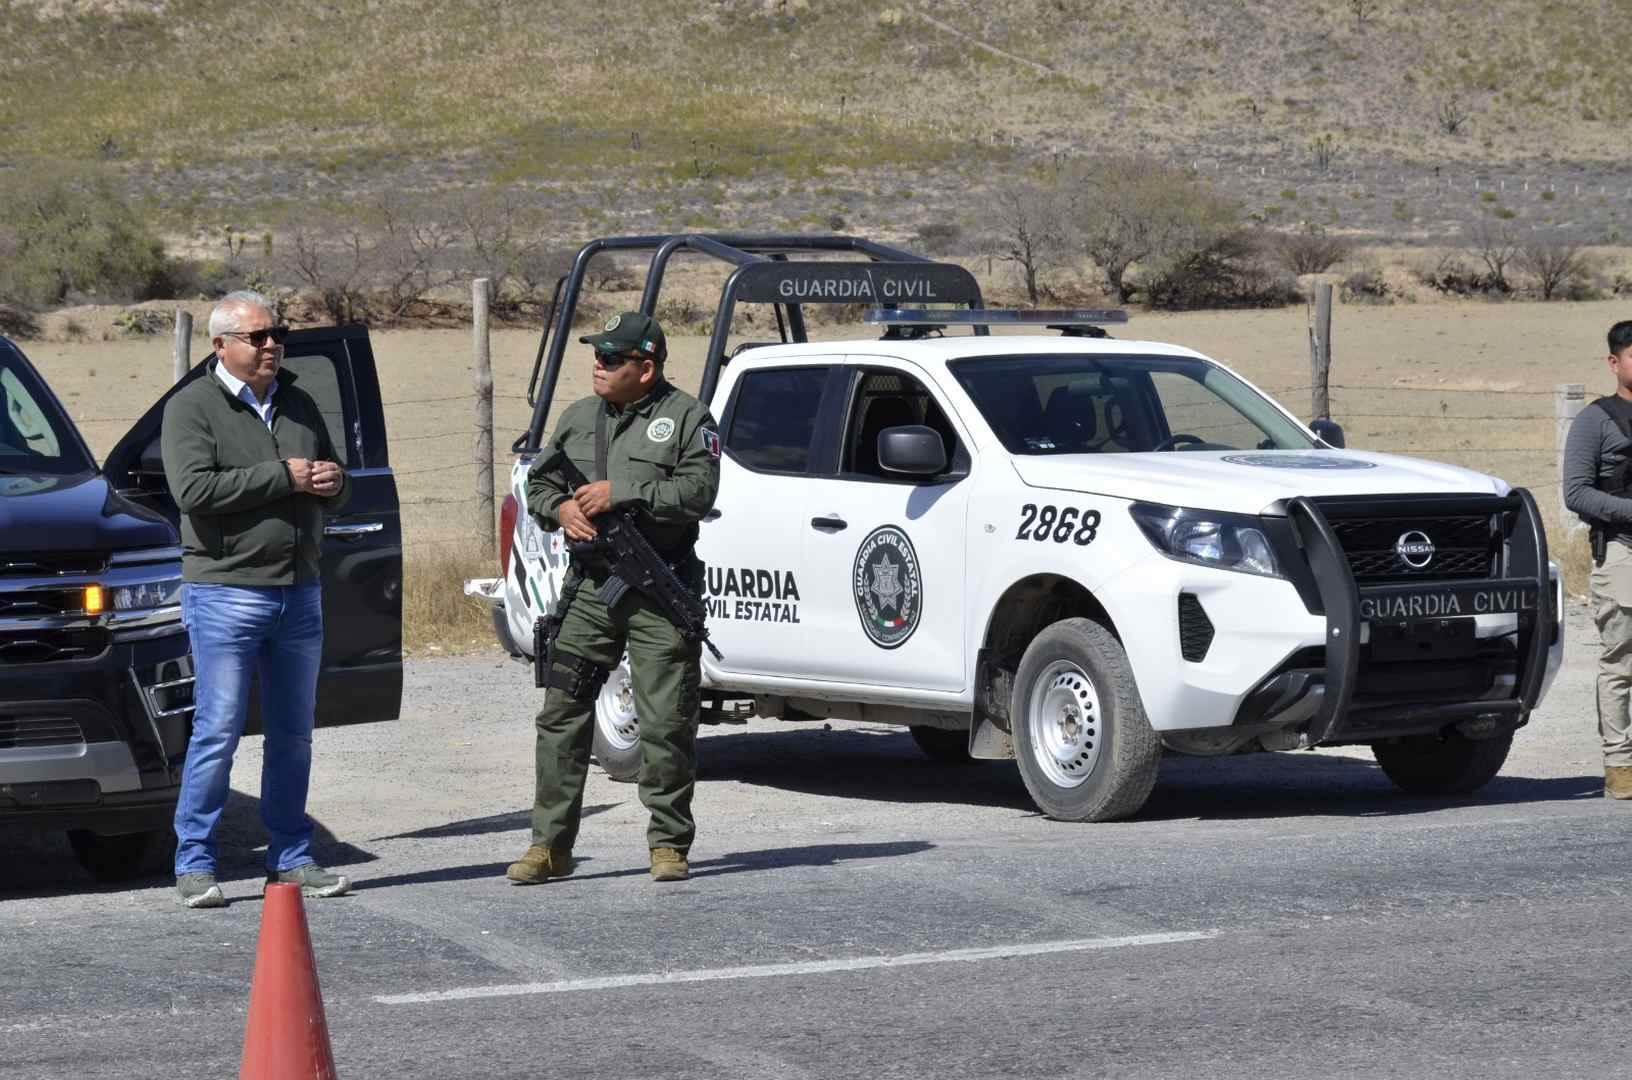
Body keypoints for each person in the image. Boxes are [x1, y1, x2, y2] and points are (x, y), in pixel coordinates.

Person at [507, 311, 720, 884]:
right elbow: (539, 483)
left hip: (659, 587)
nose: (597, 366)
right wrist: (561, 509)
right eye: (596, 356)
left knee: (665, 722)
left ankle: (668, 843)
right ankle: (549, 846)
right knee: (562, 713)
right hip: (589, 589)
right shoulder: (579, 417)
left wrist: (621, 492)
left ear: (645, 368)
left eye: (609, 358)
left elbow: (699, 492)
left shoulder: (687, 418)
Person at [161, 290, 353, 907]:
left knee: (293, 734)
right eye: (259, 337)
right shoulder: (191, 406)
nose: (273, 345)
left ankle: (291, 857)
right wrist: (284, 477)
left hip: (299, 591)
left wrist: (333, 481)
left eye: (278, 335)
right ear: (221, 345)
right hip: (225, 592)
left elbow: (334, 478)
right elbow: (193, 491)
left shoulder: (298, 401)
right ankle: (195, 862)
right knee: (217, 731)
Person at [1563, 319, 1632, 801]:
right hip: (1623, 551)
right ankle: (1621, 766)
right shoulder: (1596, 420)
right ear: (1614, 362)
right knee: (1622, 663)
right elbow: (1576, 493)